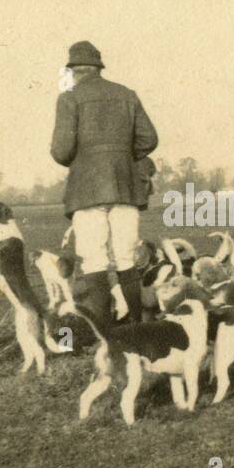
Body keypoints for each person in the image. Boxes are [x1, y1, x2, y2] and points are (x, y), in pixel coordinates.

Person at [50, 41, 158, 326]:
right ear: (98, 68)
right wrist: (121, 156)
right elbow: (149, 139)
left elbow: (61, 151)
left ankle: (104, 334)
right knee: (126, 260)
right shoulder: (127, 95)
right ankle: (137, 327)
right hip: (125, 188)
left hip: (86, 191)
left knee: (94, 261)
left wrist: (88, 159)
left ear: (73, 71)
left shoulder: (69, 98)